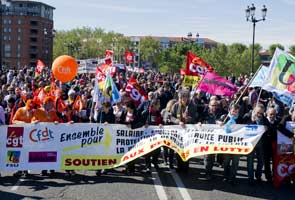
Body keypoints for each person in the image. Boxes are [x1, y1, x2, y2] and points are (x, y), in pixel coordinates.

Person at [170, 89, 199, 173]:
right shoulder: (175, 106)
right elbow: (171, 117)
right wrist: (178, 121)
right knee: (179, 149)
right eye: (183, 97)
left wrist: (189, 119)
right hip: (178, 131)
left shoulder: (192, 106)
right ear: (180, 98)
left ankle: (186, 167)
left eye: (186, 97)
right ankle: (179, 166)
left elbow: (194, 118)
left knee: (187, 148)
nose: (185, 99)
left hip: (188, 131)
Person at [32, 96, 60, 176]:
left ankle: (52, 168)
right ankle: (43, 169)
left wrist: (56, 121)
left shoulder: (53, 112)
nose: (52, 105)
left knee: (51, 151)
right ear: (46, 103)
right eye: (50, 103)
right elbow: (33, 119)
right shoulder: (38, 110)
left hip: (51, 135)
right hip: (41, 136)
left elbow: (57, 119)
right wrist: (34, 121)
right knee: (43, 152)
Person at [243, 103, 268, 185]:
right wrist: (251, 121)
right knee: (250, 161)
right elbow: (242, 126)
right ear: (254, 110)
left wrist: (267, 127)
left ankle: (258, 176)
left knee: (261, 161)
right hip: (251, 142)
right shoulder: (247, 115)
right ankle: (250, 178)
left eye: (261, 113)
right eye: (258, 112)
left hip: (260, 143)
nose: (259, 114)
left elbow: (269, 126)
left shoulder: (263, 118)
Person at [218, 104, 243, 185]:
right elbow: (217, 121)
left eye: (236, 111)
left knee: (235, 162)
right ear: (230, 110)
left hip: (237, 144)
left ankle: (232, 178)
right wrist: (219, 123)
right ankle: (225, 176)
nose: (234, 112)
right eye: (233, 110)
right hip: (227, 143)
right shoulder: (225, 117)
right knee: (226, 161)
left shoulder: (240, 119)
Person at [161, 99, 177, 169]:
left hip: (173, 133)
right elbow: (161, 120)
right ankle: (165, 160)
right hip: (165, 132)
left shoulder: (176, 112)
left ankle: (171, 163)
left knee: (172, 149)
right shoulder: (164, 111)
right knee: (165, 148)